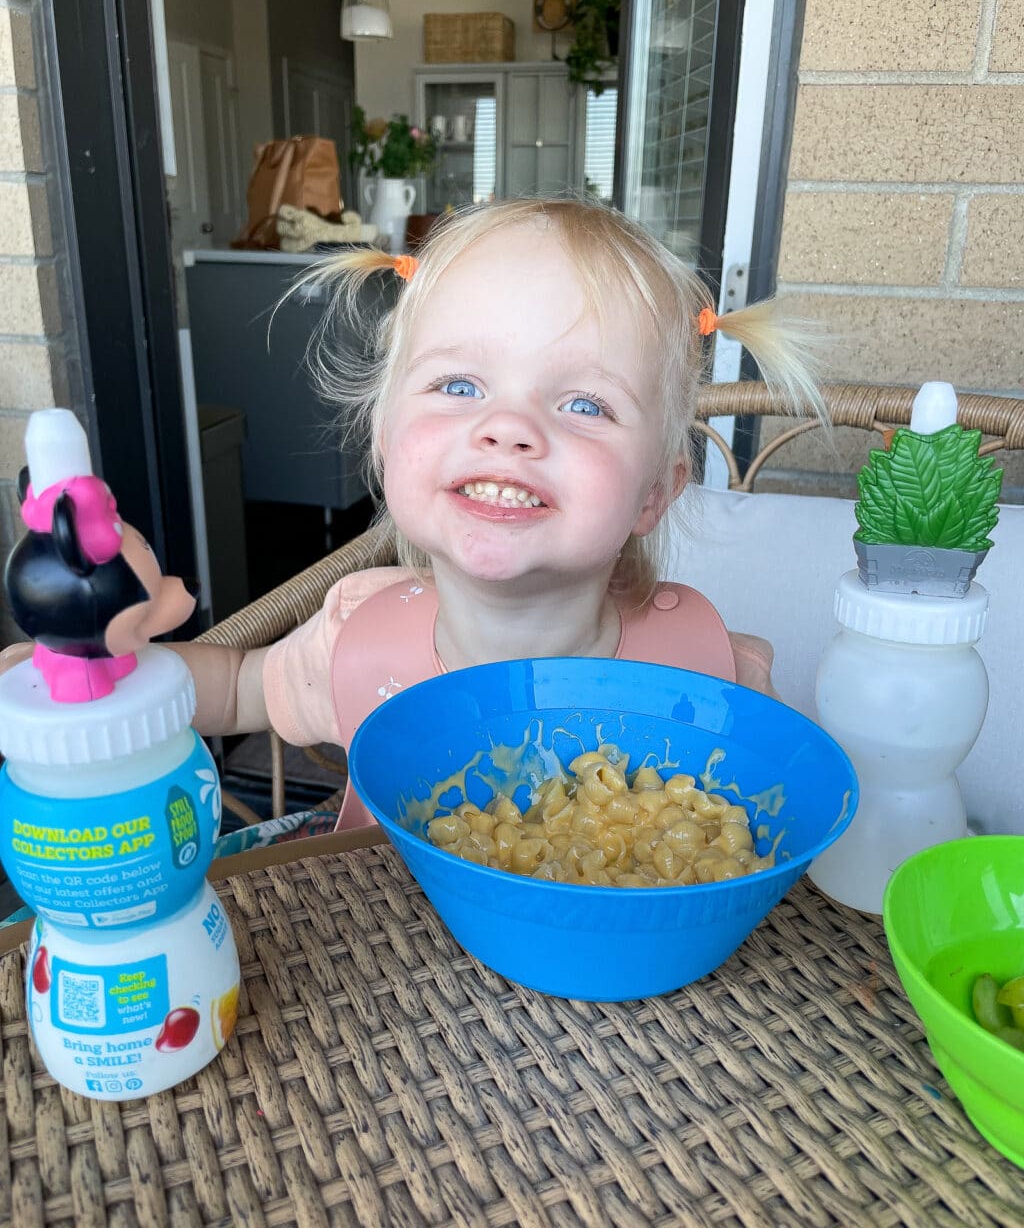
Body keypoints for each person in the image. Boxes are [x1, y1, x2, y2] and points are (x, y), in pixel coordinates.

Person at [7, 199, 827, 830]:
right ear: (387, 438)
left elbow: (781, 826)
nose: (507, 427)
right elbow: (227, 689)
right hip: (382, 1001)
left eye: (583, 402)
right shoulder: (358, 639)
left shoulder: (708, 672)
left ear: (655, 490)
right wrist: (83, 681)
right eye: (460, 386)